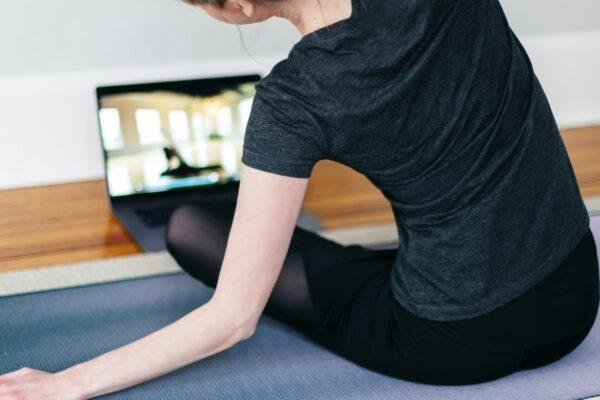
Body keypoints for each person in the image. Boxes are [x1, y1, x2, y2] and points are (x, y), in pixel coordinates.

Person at [1, 0, 598, 398]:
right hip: (575, 298)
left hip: (450, 341)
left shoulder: (294, 99)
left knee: (190, 225)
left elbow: (233, 319)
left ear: (234, 7)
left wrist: (65, 385)